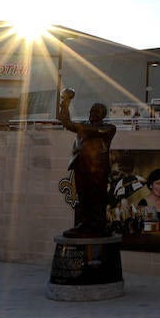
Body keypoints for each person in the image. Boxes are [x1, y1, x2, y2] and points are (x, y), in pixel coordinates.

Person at [55, 89, 117, 238]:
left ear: (103, 115)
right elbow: (66, 122)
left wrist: (76, 125)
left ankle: (98, 225)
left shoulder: (108, 128)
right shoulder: (83, 127)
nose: (92, 113)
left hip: (97, 170)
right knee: (83, 197)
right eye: (91, 111)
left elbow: (86, 129)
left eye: (96, 111)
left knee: (97, 197)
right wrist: (66, 101)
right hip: (81, 167)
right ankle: (85, 224)